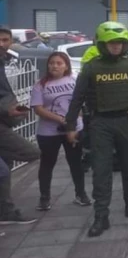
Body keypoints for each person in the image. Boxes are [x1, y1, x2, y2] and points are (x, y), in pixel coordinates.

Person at [65, 21, 128, 237]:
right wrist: (70, 127)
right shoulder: (92, 67)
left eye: (120, 43)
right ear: (102, 44)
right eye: (111, 43)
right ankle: (101, 216)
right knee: (101, 169)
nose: (116, 47)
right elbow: (76, 99)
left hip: (126, 121)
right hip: (100, 123)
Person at [31, 52, 91, 211]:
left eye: (59, 63)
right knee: (47, 164)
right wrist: (60, 119)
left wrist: (72, 119)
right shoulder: (40, 85)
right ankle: (44, 198)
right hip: (49, 131)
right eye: (52, 63)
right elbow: (38, 108)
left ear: (66, 65)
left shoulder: (74, 80)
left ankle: (81, 194)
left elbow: (83, 101)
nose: (55, 66)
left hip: (74, 129)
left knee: (76, 163)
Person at [0, 25, 40, 224]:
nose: (2, 44)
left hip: (5, 122)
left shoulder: (4, 62)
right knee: (31, 153)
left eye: (6, 40)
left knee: (4, 168)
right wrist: (6, 110)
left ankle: (5, 211)